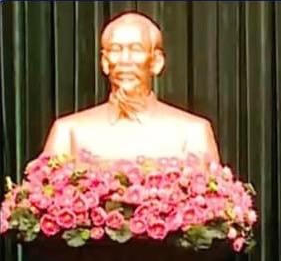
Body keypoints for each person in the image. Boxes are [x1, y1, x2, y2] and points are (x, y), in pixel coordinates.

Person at [42, 12, 220, 162]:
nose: (125, 60)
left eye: (136, 49)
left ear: (156, 62)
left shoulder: (193, 133)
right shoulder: (68, 132)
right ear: (105, 62)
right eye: (116, 49)